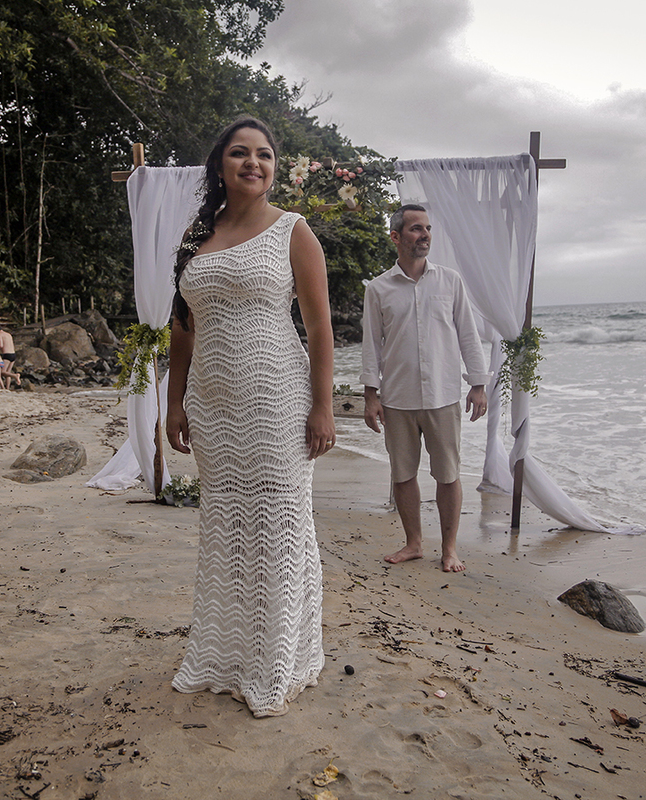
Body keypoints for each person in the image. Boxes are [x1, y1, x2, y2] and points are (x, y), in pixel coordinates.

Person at [165, 117, 335, 718]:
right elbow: (182, 327)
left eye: (263, 155)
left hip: (276, 402)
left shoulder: (294, 231)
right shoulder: (196, 236)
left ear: (273, 167)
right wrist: (173, 401)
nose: (252, 163)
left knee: (280, 528)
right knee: (229, 530)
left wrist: (322, 405)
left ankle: (278, 659)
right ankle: (229, 654)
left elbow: (319, 329)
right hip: (213, 405)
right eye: (240, 153)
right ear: (220, 165)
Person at [360, 204, 490, 573]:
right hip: (398, 397)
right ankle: (414, 543)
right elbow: (373, 345)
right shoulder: (378, 288)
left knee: (447, 474)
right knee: (403, 474)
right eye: (416, 228)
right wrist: (371, 396)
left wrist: (478, 385)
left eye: (428, 228)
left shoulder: (450, 281)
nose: (425, 235)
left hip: (443, 395)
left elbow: (469, 334)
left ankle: (449, 549)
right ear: (397, 237)